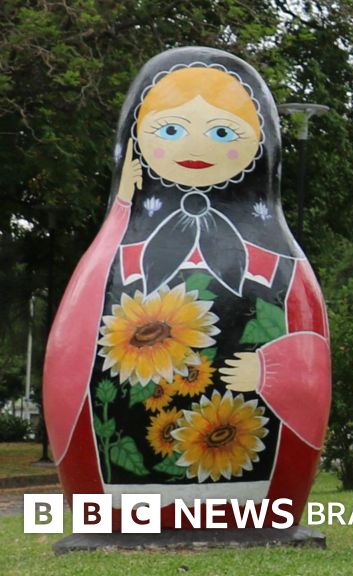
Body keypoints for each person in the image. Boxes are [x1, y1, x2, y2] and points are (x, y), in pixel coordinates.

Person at [42, 47, 330, 528]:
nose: (195, 147)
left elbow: (309, 352)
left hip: (249, 475)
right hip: (119, 495)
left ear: (261, 147)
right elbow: (72, 344)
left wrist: (268, 371)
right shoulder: (119, 246)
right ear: (135, 143)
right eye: (170, 130)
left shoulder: (276, 258)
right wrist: (121, 207)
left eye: (222, 133)